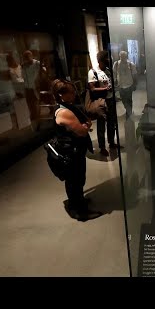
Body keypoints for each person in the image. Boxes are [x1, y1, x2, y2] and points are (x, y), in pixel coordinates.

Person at [52, 79, 102, 221]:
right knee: (75, 180)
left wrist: (83, 126)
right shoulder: (64, 112)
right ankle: (79, 211)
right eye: (70, 91)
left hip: (75, 151)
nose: (74, 93)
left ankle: (78, 202)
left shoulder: (69, 107)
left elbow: (87, 122)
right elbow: (82, 131)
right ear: (61, 94)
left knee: (78, 179)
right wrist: (83, 127)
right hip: (70, 153)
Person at [88, 51, 118, 157]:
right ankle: (102, 147)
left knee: (111, 122)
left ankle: (111, 142)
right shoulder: (93, 72)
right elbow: (92, 88)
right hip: (101, 101)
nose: (109, 60)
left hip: (110, 99)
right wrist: (105, 88)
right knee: (101, 124)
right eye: (106, 59)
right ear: (101, 60)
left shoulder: (108, 70)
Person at [113, 50, 137, 119]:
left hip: (129, 85)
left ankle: (129, 112)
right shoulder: (116, 64)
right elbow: (114, 73)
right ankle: (128, 110)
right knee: (123, 100)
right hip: (120, 86)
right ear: (119, 56)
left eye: (124, 56)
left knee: (129, 99)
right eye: (121, 56)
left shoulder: (130, 64)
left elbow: (134, 74)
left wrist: (135, 84)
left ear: (126, 56)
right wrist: (115, 81)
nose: (123, 58)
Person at [22, 50, 45, 120]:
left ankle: (39, 114)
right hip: (27, 86)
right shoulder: (24, 65)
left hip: (35, 86)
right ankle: (34, 115)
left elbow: (45, 70)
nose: (27, 59)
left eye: (28, 57)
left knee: (38, 101)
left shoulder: (37, 63)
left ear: (31, 56)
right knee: (30, 102)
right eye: (25, 57)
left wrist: (42, 69)